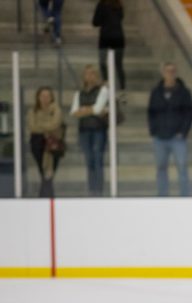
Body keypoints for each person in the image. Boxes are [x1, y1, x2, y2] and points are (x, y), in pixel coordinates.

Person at [146, 62, 192, 197]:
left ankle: (185, 196)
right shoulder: (156, 92)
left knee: (182, 167)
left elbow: (189, 113)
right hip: (160, 137)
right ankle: (162, 195)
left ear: (176, 73)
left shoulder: (184, 92)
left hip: (177, 138)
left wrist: (183, 132)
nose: (170, 74)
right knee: (161, 168)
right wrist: (153, 130)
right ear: (163, 73)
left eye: (173, 71)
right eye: (168, 71)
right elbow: (151, 112)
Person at [70, 65, 109, 197]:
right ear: (84, 76)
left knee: (98, 160)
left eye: (93, 73)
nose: (90, 76)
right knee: (89, 160)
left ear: (96, 76)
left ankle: (99, 190)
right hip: (84, 131)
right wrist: (91, 110)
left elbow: (98, 109)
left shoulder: (103, 90)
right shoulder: (79, 93)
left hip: (98, 130)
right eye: (87, 73)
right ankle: (91, 190)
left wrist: (84, 110)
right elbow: (74, 112)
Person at [28, 86, 64, 198]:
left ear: (52, 97)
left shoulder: (56, 110)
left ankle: (45, 196)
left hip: (53, 144)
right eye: (42, 96)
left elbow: (55, 124)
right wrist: (47, 127)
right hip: (37, 144)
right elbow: (32, 127)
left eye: (48, 96)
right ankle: (47, 196)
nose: (45, 98)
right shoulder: (33, 111)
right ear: (38, 97)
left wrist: (41, 126)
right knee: (42, 171)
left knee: (49, 172)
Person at [93, 0, 126, 90]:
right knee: (118, 65)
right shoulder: (119, 4)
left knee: (103, 63)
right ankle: (122, 90)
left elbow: (95, 22)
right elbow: (121, 17)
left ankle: (106, 85)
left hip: (105, 37)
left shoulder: (101, 4)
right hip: (119, 37)